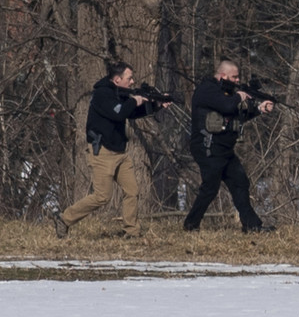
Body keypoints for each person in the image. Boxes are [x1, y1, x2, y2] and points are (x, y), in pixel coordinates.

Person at [54, 61, 169, 239]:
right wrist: (134, 100)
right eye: (129, 78)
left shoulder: (119, 92)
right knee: (102, 196)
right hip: (103, 152)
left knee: (132, 191)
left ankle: (131, 231)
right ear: (117, 80)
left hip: (120, 152)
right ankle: (64, 219)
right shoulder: (102, 95)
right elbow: (119, 113)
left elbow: (131, 113)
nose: (132, 81)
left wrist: (157, 105)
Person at [183, 59, 275, 234]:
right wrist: (240, 95)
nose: (237, 80)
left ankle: (252, 225)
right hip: (207, 147)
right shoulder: (207, 90)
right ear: (223, 75)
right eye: (234, 77)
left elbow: (235, 116)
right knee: (210, 188)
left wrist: (259, 109)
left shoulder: (226, 93)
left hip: (224, 149)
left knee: (240, 183)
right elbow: (227, 106)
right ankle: (191, 224)